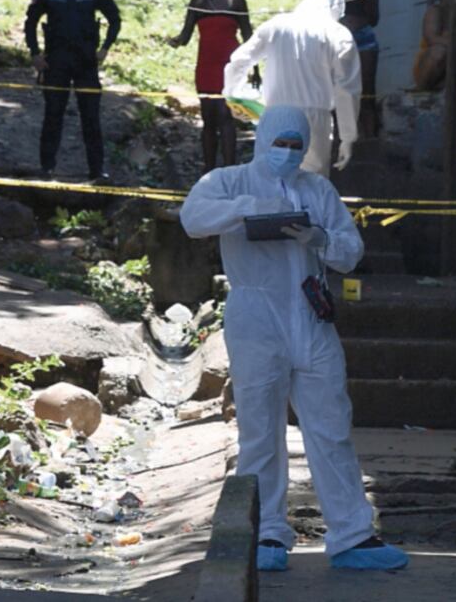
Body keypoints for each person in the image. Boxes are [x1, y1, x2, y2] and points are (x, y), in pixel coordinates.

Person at [180, 105, 409, 573]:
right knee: (260, 430)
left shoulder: (317, 189)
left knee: (331, 426)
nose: (286, 153)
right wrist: (251, 210)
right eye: (279, 143)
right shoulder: (228, 181)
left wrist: (316, 238)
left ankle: (352, 535)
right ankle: (264, 532)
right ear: (261, 138)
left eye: (295, 145)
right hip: (255, 316)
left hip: (311, 315)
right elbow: (193, 219)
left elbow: (350, 252)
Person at [223, 0, 361, 176]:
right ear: (336, 9)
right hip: (315, 121)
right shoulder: (338, 34)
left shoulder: (276, 25)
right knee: (311, 186)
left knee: (267, 182)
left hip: (274, 116)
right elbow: (347, 89)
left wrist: (233, 96)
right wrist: (348, 137)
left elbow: (239, 60)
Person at [24, 0, 121, 182]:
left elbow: (115, 20)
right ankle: (47, 168)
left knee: (90, 117)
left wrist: (105, 48)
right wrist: (35, 54)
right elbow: (30, 23)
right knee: (53, 115)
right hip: (55, 63)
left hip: (86, 63)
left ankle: (96, 171)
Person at [168, 0, 253, 172]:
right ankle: (209, 171)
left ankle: (229, 170)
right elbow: (185, 36)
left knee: (226, 116)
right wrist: (174, 41)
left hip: (230, 66)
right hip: (206, 66)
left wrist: (254, 68)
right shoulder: (198, 2)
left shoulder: (235, 0)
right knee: (208, 119)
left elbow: (248, 36)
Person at [314, 0, 381, 139]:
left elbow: (375, 18)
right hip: (335, 37)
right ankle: (339, 141)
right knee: (337, 90)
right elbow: (314, 9)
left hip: (362, 37)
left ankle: (368, 141)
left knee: (367, 92)